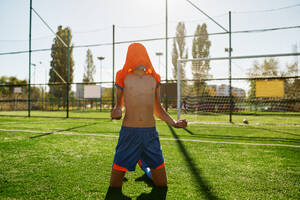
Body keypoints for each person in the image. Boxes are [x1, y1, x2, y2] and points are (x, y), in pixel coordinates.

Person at [105, 43, 187, 200]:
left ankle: (145, 167)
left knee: (162, 184)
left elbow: (158, 109)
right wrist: (116, 112)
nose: (139, 57)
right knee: (115, 185)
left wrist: (174, 123)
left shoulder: (154, 79)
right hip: (129, 134)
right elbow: (118, 107)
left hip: (150, 135)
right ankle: (140, 161)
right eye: (135, 53)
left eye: (141, 53)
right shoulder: (122, 76)